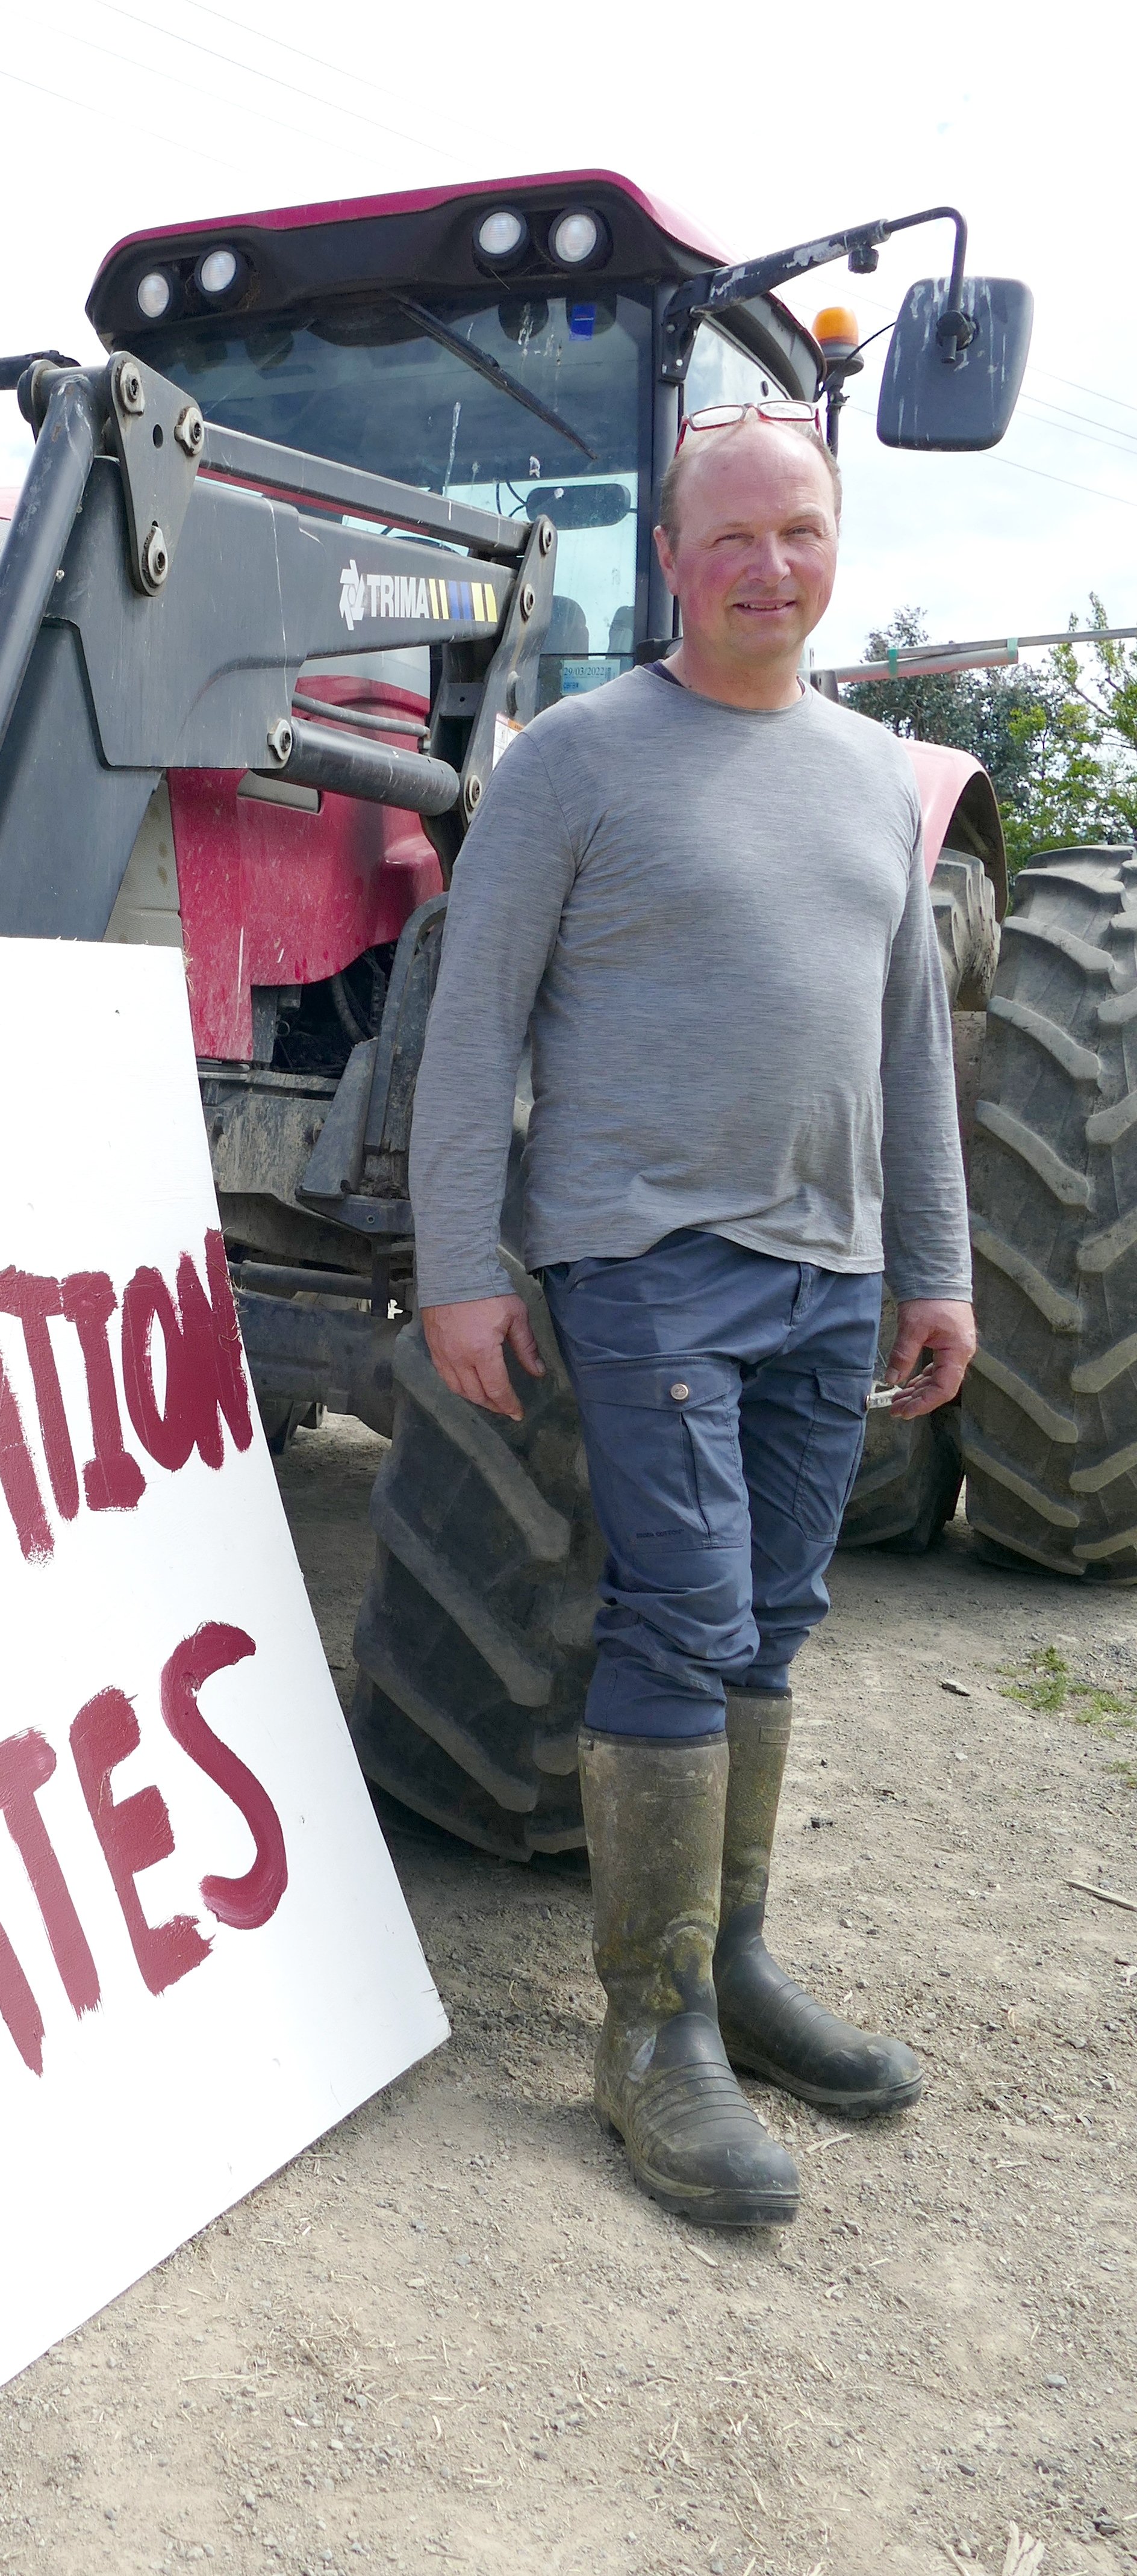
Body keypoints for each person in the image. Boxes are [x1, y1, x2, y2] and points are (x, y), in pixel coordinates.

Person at [407, 399, 974, 2229]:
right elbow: (472, 1024)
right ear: (670, 558)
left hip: (829, 1268)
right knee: (686, 1607)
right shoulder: (577, 760)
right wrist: (461, 1265)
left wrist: (939, 1265)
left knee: (778, 1614)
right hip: (642, 1256)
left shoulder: (876, 778)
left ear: (833, 551)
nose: (766, 565)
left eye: (797, 533)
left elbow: (909, 1054)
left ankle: (727, 1964)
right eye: (729, 536)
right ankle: (646, 2035)